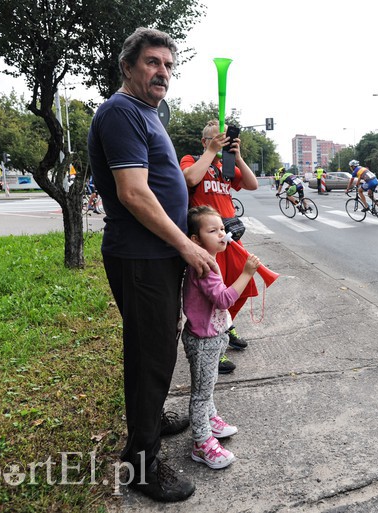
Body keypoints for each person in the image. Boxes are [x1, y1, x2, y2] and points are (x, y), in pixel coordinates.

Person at [87, 27, 220, 503]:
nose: (162, 71)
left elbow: (173, 180)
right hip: (142, 256)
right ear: (128, 67)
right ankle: (142, 463)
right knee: (151, 355)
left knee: (155, 344)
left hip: (155, 255)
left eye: (168, 65)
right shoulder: (121, 111)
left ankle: (152, 414)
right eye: (152, 62)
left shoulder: (146, 113)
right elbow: (133, 192)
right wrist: (186, 247)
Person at [182, 205, 260, 469]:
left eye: (222, 229)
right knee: (201, 393)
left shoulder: (209, 260)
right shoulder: (204, 266)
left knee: (209, 385)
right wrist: (247, 274)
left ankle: (210, 419)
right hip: (203, 341)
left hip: (211, 337)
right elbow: (223, 299)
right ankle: (201, 443)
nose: (221, 235)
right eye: (212, 231)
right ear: (195, 240)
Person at [180, 119, 259, 374]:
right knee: (214, 291)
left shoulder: (225, 166)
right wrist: (211, 151)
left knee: (243, 285)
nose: (222, 144)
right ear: (205, 142)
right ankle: (217, 346)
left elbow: (251, 184)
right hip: (207, 238)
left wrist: (237, 156)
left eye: (225, 140)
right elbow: (189, 179)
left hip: (229, 235)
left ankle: (227, 324)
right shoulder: (194, 159)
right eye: (217, 139)